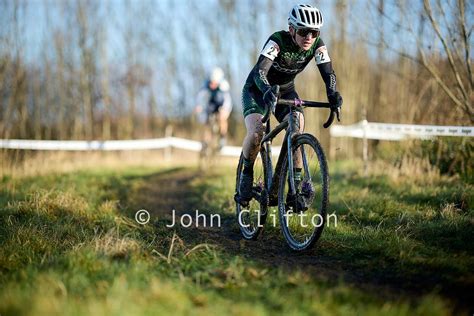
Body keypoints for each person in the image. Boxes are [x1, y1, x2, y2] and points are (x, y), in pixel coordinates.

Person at [237, 4, 343, 208]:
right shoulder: (277, 41)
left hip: (285, 90)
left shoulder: (317, 45)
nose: (309, 37)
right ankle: (246, 174)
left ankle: (294, 187)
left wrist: (333, 94)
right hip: (258, 90)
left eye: (314, 32)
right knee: (257, 132)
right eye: (304, 31)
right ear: (292, 29)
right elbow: (261, 71)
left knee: (298, 124)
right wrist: (267, 90)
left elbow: (328, 73)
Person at [195, 67, 233, 149]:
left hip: (222, 104)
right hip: (211, 104)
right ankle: (206, 142)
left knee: (222, 118)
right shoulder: (206, 84)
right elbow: (200, 96)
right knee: (206, 121)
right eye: (212, 82)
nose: (213, 84)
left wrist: (224, 110)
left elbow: (227, 101)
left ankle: (222, 138)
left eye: (215, 83)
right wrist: (199, 105)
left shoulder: (224, 86)